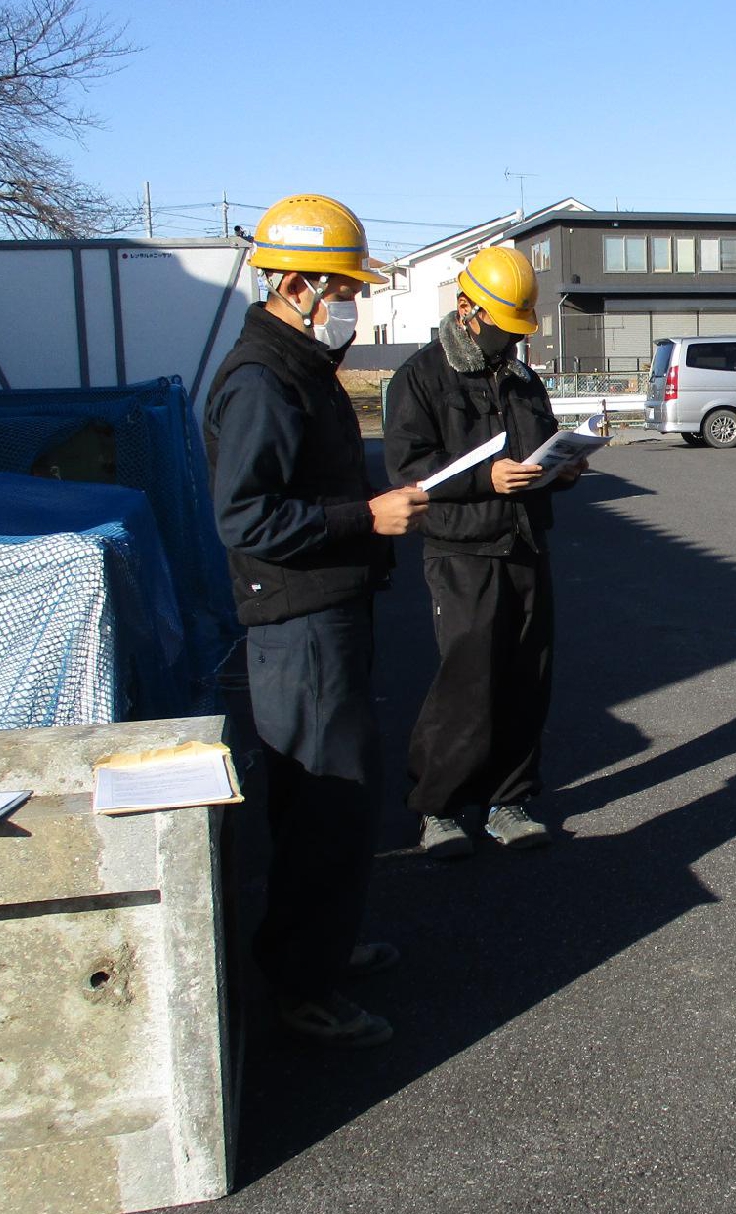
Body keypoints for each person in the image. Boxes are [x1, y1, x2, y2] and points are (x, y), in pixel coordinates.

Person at [203, 192, 429, 1048]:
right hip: (298, 623)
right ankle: (304, 985)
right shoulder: (263, 379)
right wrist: (362, 519)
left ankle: (317, 949)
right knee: (323, 804)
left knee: (329, 800)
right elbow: (247, 519)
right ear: (296, 285)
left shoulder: (295, 365)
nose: (353, 305)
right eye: (343, 290)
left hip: (324, 610)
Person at [384, 245, 581, 858]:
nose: (510, 340)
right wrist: (484, 480)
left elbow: (540, 445)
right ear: (467, 309)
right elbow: (408, 469)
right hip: (460, 548)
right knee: (466, 683)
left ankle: (511, 799)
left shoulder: (522, 377)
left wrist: (564, 466)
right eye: (501, 326)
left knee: (528, 677)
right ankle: (437, 809)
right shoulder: (421, 377)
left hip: (525, 542)